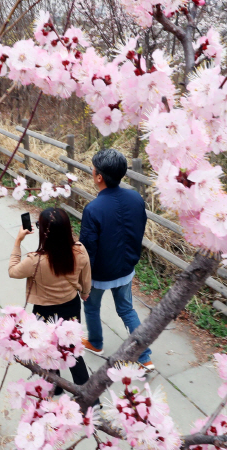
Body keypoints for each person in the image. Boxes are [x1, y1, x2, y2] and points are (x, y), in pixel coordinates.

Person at [79, 149, 153, 370]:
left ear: (99, 176)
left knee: (91, 307)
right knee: (127, 310)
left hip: (99, 273)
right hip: (125, 268)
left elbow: (87, 250)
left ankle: (95, 342)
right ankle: (145, 356)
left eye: (93, 169)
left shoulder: (93, 209)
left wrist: (83, 282)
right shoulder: (135, 197)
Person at [9, 207, 92, 393]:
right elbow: (86, 279)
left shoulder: (34, 261)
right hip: (70, 305)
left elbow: (12, 271)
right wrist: (85, 292)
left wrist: (18, 241)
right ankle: (88, 396)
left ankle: (55, 386)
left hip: (44, 310)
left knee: (46, 348)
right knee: (72, 349)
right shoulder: (79, 251)